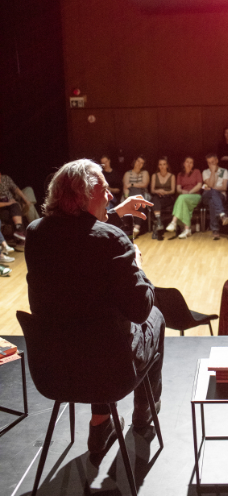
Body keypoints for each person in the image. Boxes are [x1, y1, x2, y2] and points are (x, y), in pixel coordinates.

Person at [25, 159, 165, 453]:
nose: (111, 195)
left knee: (92, 319)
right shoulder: (113, 240)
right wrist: (138, 266)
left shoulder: (36, 234)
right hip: (111, 371)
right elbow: (139, 309)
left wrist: (112, 213)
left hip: (54, 368)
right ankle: (144, 416)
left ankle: (101, 422)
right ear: (82, 195)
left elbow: (78, 237)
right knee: (155, 316)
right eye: (104, 189)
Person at [166, 157, 202, 239]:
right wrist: (183, 192)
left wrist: (190, 192)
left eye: (191, 162)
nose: (189, 164)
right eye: (187, 162)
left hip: (195, 196)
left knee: (181, 198)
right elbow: (178, 188)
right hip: (184, 197)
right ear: (184, 163)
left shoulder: (197, 172)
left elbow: (199, 185)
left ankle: (174, 222)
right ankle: (187, 230)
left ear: (193, 165)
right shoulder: (180, 175)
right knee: (183, 202)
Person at [201, 154, 228, 240]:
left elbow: (224, 187)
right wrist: (213, 172)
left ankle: (215, 229)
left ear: (217, 160)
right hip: (207, 196)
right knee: (212, 193)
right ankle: (222, 214)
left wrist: (211, 188)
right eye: (209, 163)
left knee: (212, 201)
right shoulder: (205, 172)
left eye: (213, 162)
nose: (211, 165)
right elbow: (210, 184)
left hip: (220, 196)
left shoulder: (223, 171)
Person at [123, 156, 150, 238]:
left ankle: (136, 227)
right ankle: (132, 227)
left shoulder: (145, 173)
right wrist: (127, 197)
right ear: (134, 161)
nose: (139, 164)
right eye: (138, 161)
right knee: (131, 201)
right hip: (130, 194)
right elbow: (125, 187)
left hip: (142, 194)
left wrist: (132, 184)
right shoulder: (128, 173)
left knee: (139, 198)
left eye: (142, 163)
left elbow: (144, 184)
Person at [0, 170, 31, 242]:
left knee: (15, 205)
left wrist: (25, 199)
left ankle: (19, 231)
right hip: (2, 207)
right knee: (9, 213)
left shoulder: (6, 178)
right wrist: (8, 203)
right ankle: (20, 232)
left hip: (12, 202)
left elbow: (15, 188)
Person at [150, 157, 176, 239]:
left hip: (168, 197)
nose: (162, 166)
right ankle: (159, 222)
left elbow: (172, 190)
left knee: (156, 202)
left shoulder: (171, 176)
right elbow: (152, 190)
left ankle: (157, 224)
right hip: (158, 196)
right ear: (158, 166)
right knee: (155, 199)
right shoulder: (154, 175)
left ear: (167, 165)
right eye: (160, 164)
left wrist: (165, 192)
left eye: (164, 164)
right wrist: (158, 191)